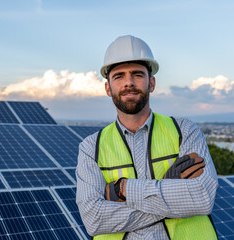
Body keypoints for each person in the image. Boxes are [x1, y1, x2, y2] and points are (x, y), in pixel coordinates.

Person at [76, 35, 218, 240]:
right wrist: (170, 192)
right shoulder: (91, 147)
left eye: (137, 74)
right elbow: (95, 219)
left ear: (151, 83)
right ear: (108, 88)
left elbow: (201, 198)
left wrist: (124, 189)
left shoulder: (184, 131)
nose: (129, 83)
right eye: (119, 76)